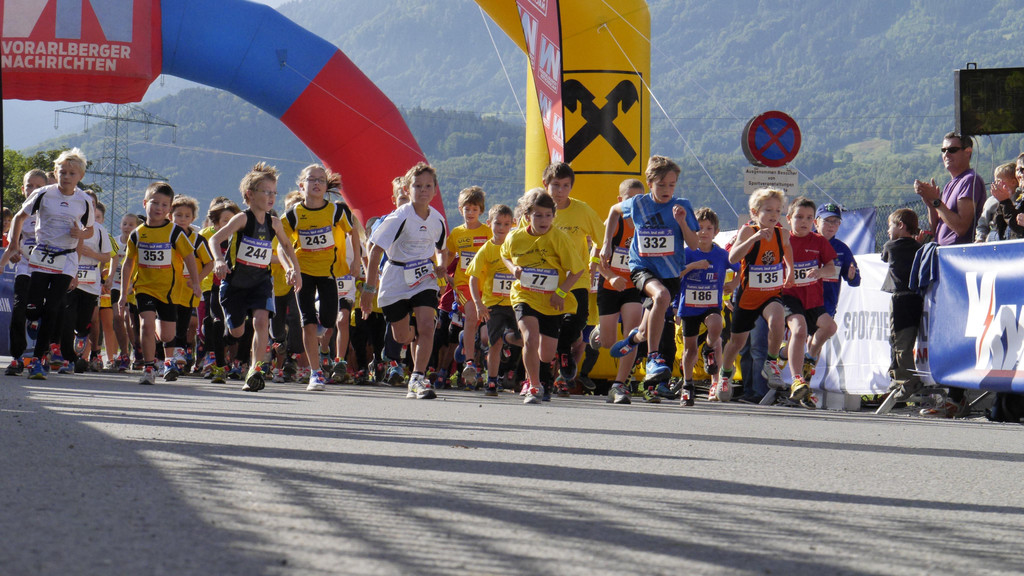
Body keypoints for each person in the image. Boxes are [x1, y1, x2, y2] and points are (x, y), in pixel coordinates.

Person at [601, 155, 699, 386]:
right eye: (661, 184)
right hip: (642, 268)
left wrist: (682, 222)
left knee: (647, 327)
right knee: (661, 296)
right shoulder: (638, 203)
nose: (667, 189)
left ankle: (634, 339)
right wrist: (607, 242)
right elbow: (614, 211)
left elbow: (694, 245)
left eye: (672, 185)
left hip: (670, 272)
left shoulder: (682, 205)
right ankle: (653, 357)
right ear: (650, 183)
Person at [1, 149, 96, 380]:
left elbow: (89, 230)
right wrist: (13, 245)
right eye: (62, 172)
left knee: (53, 307)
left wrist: (80, 234)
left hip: (66, 259)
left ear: (80, 176)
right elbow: (18, 218)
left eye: (71, 173)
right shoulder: (44, 195)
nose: (66, 176)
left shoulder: (84, 200)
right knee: (31, 309)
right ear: (56, 172)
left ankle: (37, 360)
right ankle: (25, 343)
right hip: (38, 257)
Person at [210, 162, 302, 392]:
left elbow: (287, 246)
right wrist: (219, 261)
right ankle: (229, 336)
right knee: (237, 331)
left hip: (260, 282)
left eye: (274, 193)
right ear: (250, 195)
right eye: (266, 192)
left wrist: (295, 269)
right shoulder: (242, 219)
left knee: (261, 322)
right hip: (235, 283)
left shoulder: (274, 222)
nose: (271, 197)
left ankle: (255, 370)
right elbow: (214, 240)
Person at [360, 162, 448, 400]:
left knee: (427, 327)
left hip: (423, 278)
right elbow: (375, 250)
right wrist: (369, 289)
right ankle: (410, 337)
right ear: (408, 190)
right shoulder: (399, 216)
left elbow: (441, 248)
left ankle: (418, 377)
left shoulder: (437, 219)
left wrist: (440, 265)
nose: (423, 190)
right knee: (403, 337)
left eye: (428, 186)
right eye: (417, 186)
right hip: (395, 278)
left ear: (435, 190)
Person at [913, 131, 986, 417]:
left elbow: (960, 227)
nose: (947, 155)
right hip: (944, 260)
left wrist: (936, 202)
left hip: (960, 262)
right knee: (945, 329)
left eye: (953, 149)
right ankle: (950, 395)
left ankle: (956, 398)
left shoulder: (970, 181)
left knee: (958, 330)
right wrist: (928, 201)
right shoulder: (951, 182)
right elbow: (937, 226)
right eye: (943, 150)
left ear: (968, 151)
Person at [501, 189, 586, 404]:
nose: (544, 220)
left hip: (551, 301)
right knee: (530, 338)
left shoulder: (559, 238)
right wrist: (513, 269)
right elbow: (504, 255)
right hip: (525, 295)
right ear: (527, 216)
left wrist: (560, 293)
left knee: (546, 354)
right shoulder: (515, 237)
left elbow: (577, 271)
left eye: (548, 215)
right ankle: (534, 386)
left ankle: (539, 378)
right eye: (538, 215)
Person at [281, 164, 359, 391]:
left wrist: (356, 260)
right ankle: (316, 373)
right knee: (307, 322)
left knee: (327, 321)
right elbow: (281, 247)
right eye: (311, 179)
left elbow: (353, 230)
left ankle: (319, 324)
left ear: (326, 186)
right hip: (303, 273)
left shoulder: (336, 211)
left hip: (328, 274)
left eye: (321, 180)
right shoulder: (293, 214)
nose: (316, 183)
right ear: (301, 186)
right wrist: (289, 267)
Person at [117, 182, 201, 385]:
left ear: (169, 209)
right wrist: (122, 293)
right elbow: (128, 264)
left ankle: (169, 360)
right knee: (145, 325)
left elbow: (190, 257)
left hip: (169, 291)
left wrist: (196, 283)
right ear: (145, 203)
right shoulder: (137, 234)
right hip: (144, 288)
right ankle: (148, 366)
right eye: (155, 203)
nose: (159, 208)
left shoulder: (174, 232)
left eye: (165, 205)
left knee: (166, 334)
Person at [716, 188, 794, 396]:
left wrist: (791, 271)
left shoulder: (782, 233)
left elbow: (787, 250)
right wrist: (754, 239)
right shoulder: (748, 231)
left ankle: (771, 363)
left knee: (778, 318)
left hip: (770, 294)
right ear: (754, 212)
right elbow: (732, 258)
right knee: (737, 343)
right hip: (748, 296)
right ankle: (724, 375)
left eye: (777, 211)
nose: (773, 215)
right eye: (768, 210)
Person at [544, 162, 605, 394]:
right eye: (556, 185)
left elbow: (602, 240)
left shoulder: (583, 210)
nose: (560, 191)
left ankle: (562, 352)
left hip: (577, 278)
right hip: (547, 281)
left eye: (565, 186)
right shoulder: (538, 209)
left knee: (578, 321)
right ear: (545, 185)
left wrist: (594, 262)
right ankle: (541, 379)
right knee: (547, 327)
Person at [675, 208, 740, 405]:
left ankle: (714, 375)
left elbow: (741, 269)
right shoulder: (686, 254)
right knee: (690, 350)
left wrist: (734, 284)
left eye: (708, 228)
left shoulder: (721, 255)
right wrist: (694, 266)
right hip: (689, 307)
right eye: (699, 228)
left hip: (711, 304)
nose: (703, 232)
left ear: (716, 232)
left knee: (716, 327)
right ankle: (687, 384)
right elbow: (675, 276)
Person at [591, 179, 645, 405]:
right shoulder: (611, 225)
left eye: (638, 199)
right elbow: (594, 260)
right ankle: (600, 331)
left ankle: (619, 385)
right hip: (609, 287)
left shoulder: (648, 225)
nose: (634, 204)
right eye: (629, 199)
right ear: (619, 201)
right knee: (608, 342)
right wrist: (611, 276)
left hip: (633, 287)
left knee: (630, 336)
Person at [780, 197, 837, 407]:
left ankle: (808, 356)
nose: (804, 221)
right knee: (800, 330)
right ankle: (797, 380)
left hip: (813, 299)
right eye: (799, 217)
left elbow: (831, 268)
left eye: (809, 218)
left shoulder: (819, 241)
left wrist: (820, 271)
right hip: (790, 296)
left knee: (830, 327)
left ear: (814, 221)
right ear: (788, 219)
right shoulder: (783, 240)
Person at [467, 203, 519, 396]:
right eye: (497, 224)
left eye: (506, 224)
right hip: (494, 304)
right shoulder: (486, 250)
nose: (501, 228)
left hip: (516, 301)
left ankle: (528, 378)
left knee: (525, 339)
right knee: (493, 343)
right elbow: (473, 277)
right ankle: (492, 381)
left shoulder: (516, 245)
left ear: (512, 224)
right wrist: (478, 304)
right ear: (489, 224)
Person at [163, 195, 215, 380]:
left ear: (193, 218)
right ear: (170, 216)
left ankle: (180, 354)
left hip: (187, 292)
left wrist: (197, 280)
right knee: (168, 323)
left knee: (183, 324)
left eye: (186, 216)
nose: (182, 219)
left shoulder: (197, 239)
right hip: (168, 290)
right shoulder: (165, 236)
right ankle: (170, 358)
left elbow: (210, 263)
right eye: (178, 215)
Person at [61, 200, 114, 373]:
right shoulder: (70, 224)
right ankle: (68, 360)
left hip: (90, 283)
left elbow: (107, 257)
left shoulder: (99, 230)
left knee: (85, 321)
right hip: (70, 279)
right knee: (67, 318)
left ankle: (83, 335)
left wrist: (92, 254)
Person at [3, 169, 48, 376]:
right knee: (18, 311)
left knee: (39, 313)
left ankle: (41, 354)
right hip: (24, 271)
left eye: (39, 187)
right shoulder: (19, 217)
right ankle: (17, 357)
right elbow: (14, 245)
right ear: (23, 189)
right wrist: (6, 260)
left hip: (46, 272)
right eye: (30, 186)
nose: (33, 190)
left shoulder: (51, 215)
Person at [447, 186, 492, 388]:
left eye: (474, 209)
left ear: (481, 211)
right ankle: (470, 363)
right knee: (473, 314)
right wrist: (445, 275)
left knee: (484, 330)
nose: (470, 213)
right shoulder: (457, 233)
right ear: (460, 210)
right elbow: (447, 256)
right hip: (464, 284)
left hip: (486, 285)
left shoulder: (488, 231)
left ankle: (467, 339)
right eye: (467, 209)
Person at [881, 208, 924, 401]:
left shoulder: (891, 246)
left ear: (900, 225)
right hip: (916, 298)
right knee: (908, 340)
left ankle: (906, 380)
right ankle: (902, 376)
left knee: (899, 342)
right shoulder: (919, 248)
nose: (888, 230)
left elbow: (883, 257)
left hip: (900, 299)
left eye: (890, 225)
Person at [814, 203, 860, 318]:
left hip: (828, 307)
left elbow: (855, 282)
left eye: (835, 221)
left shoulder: (842, 249)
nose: (831, 225)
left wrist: (852, 276)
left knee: (820, 335)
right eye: (827, 220)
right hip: (804, 305)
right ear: (816, 223)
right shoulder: (805, 243)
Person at [990, 158, 1023, 241]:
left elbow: (1018, 230)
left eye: (1022, 170)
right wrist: (1002, 202)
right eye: (1017, 170)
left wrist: (1005, 202)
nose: (1019, 174)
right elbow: (1000, 229)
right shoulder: (1020, 199)